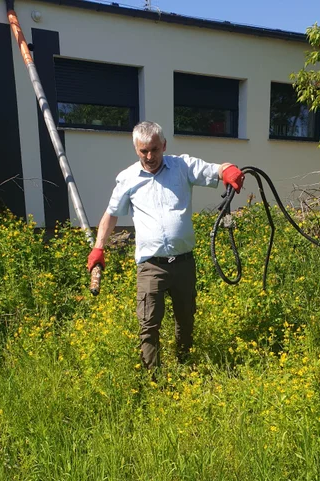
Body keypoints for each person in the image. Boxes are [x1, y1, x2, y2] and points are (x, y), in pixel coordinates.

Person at [87, 121, 244, 370]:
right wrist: (99, 248)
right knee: (148, 324)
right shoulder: (128, 178)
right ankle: (154, 378)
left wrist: (229, 171)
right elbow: (111, 214)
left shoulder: (182, 167)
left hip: (183, 263)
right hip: (151, 266)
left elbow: (216, 169)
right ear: (136, 149)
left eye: (155, 150)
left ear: (164, 146)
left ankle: (186, 366)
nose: (150, 156)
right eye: (143, 151)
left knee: (185, 319)